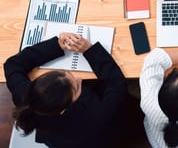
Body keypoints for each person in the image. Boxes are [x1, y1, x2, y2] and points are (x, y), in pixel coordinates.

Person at [4, 33, 137, 147]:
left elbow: (12, 65)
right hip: (113, 135)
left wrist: (57, 45)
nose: (79, 79)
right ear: (64, 109)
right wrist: (90, 51)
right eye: (75, 87)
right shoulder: (97, 116)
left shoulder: (26, 96)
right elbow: (117, 85)